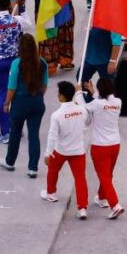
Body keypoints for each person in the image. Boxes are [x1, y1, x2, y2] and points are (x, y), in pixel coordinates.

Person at [0, 0, 32, 143]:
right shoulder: (16, 21)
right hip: (16, 62)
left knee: (2, 96)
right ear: (9, 6)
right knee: (17, 94)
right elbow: (29, 24)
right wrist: (22, 8)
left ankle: (5, 132)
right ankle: (17, 128)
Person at [39, 81, 91, 219]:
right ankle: (82, 208)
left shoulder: (57, 115)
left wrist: (48, 153)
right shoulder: (82, 110)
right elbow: (87, 120)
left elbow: (52, 136)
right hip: (78, 151)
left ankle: (51, 194)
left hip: (61, 150)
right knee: (80, 179)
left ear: (61, 96)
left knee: (53, 170)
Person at [0, 33, 48, 177]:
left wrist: (7, 102)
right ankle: (33, 168)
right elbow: (45, 85)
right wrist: (37, 97)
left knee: (15, 132)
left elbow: (12, 87)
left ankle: (10, 161)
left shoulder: (17, 64)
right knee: (34, 134)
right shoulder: (42, 63)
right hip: (37, 102)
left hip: (20, 102)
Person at [83, 78, 125, 219]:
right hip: (115, 145)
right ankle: (101, 198)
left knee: (104, 176)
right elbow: (102, 103)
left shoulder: (95, 104)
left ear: (100, 89)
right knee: (108, 175)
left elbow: (84, 109)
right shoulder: (118, 102)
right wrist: (93, 92)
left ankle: (115, 205)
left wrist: (78, 94)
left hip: (100, 146)